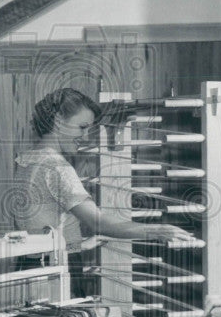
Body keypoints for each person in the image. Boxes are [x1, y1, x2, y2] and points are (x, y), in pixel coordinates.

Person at [14, 88, 193, 294]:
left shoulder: (27, 160)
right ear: (58, 122)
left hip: (30, 267)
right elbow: (98, 222)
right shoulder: (57, 167)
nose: (85, 135)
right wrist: (157, 231)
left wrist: (78, 244)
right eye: (82, 127)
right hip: (56, 271)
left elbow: (38, 225)